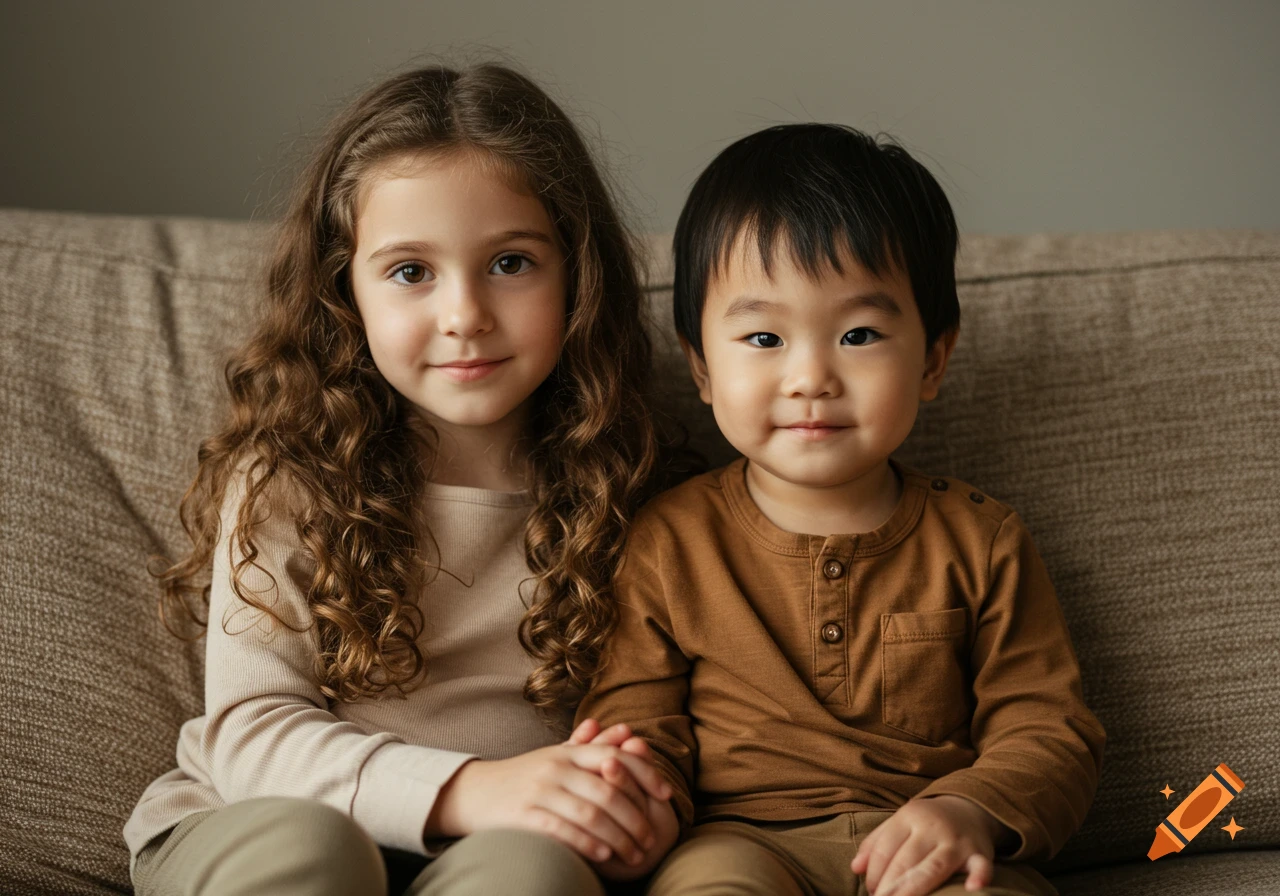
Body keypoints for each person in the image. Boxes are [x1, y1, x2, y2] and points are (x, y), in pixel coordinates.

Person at [124, 62, 693, 896]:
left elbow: (670, 723)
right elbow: (251, 734)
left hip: (505, 848)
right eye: (410, 272)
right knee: (315, 851)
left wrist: (646, 805)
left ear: (578, 273)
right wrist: (472, 788)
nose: (465, 314)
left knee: (534, 876)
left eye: (510, 263)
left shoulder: (638, 483)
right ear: (343, 294)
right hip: (261, 819)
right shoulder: (293, 476)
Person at [575, 123, 1107, 896]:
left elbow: (1049, 730)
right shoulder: (670, 540)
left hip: (926, 846)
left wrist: (970, 809)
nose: (811, 377)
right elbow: (641, 718)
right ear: (700, 367)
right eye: (763, 337)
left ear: (932, 360)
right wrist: (636, 792)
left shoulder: (983, 541)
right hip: (739, 843)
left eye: (858, 334)